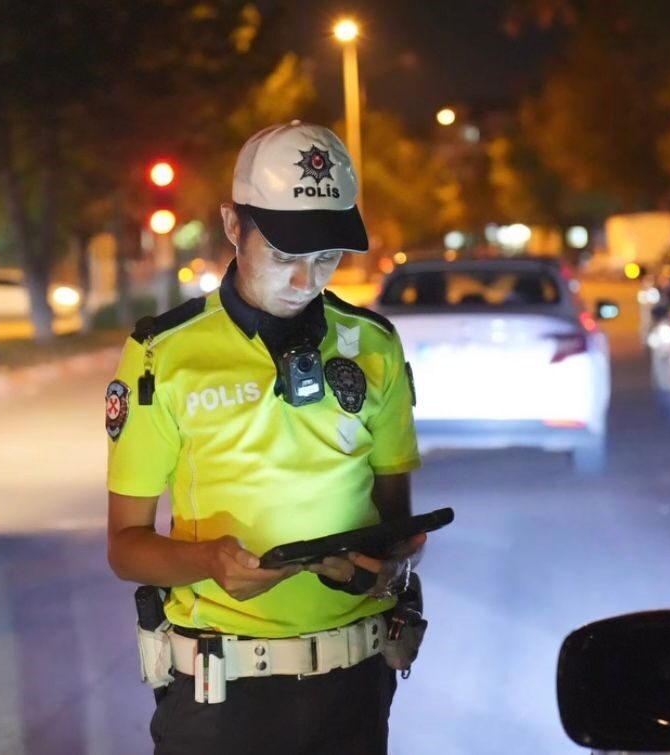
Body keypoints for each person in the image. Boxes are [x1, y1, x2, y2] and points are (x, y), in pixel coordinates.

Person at [105, 121, 425, 755]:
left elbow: (399, 532)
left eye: (326, 258)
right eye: (284, 256)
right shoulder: (161, 356)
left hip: (354, 692)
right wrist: (209, 563)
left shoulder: (376, 347)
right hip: (222, 703)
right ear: (233, 225)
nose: (306, 281)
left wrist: (371, 570)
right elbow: (125, 548)